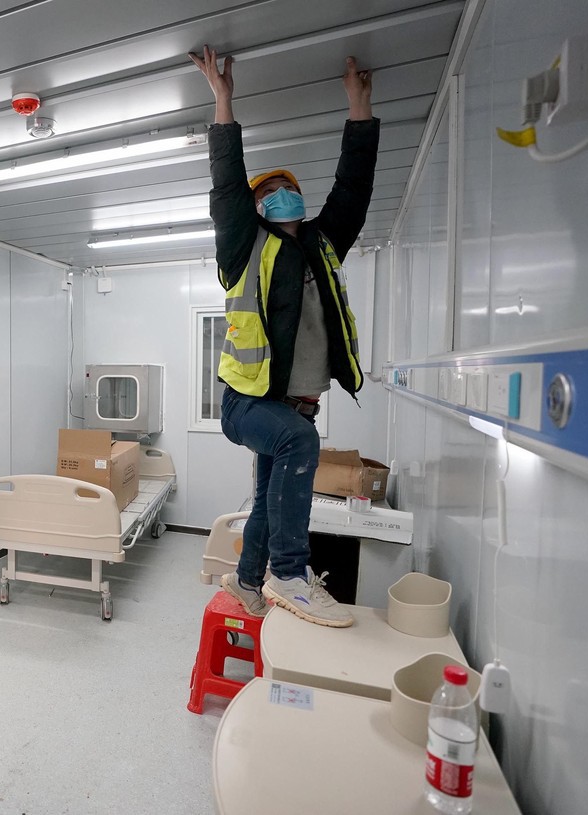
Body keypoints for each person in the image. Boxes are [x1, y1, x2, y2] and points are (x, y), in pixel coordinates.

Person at [188, 46, 379, 627]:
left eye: (285, 187)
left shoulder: (322, 245)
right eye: (266, 192)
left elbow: (353, 191)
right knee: (300, 444)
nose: (279, 194)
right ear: (257, 209)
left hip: (297, 404)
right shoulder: (244, 249)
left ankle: (248, 581)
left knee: (273, 494)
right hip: (247, 402)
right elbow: (227, 188)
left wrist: (359, 110)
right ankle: (290, 574)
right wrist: (223, 102)